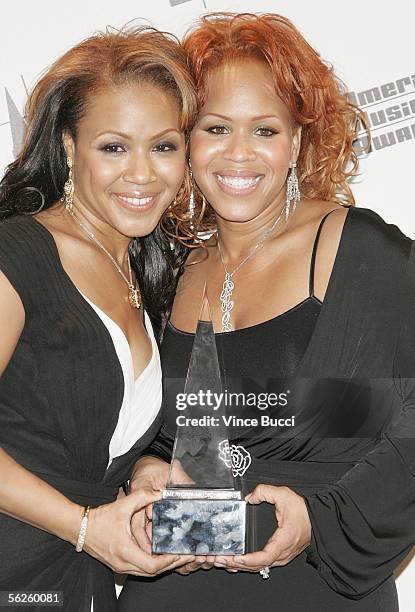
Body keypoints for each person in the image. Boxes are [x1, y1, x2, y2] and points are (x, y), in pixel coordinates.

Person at [118, 12, 415, 612]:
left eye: (265, 130)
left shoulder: (355, 249)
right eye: (216, 128)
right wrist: (149, 467)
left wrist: (317, 520)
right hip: (174, 584)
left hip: (316, 587)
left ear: (298, 141)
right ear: (185, 139)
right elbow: (172, 431)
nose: (238, 155)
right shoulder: (165, 268)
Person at [0, 25, 198, 611]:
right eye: (114, 146)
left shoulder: (149, 273)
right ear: (67, 146)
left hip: (74, 582)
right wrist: (84, 527)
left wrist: (141, 469)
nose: (142, 173)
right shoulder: (18, 257)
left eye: (163, 146)